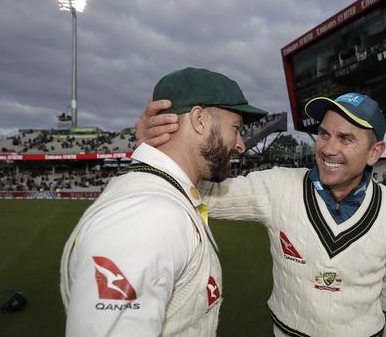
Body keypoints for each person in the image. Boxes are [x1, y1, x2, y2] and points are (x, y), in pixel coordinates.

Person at [138, 92, 386, 336]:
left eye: (345, 138)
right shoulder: (277, 186)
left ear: (374, 153)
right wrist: (155, 152)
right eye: (324, 134)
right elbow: (202, 194)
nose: (328, 149)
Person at [60, 67, 267, 336]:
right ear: (199, 119)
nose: (241, 144)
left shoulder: (162, 195)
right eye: (236, 129)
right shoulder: (147, 218)